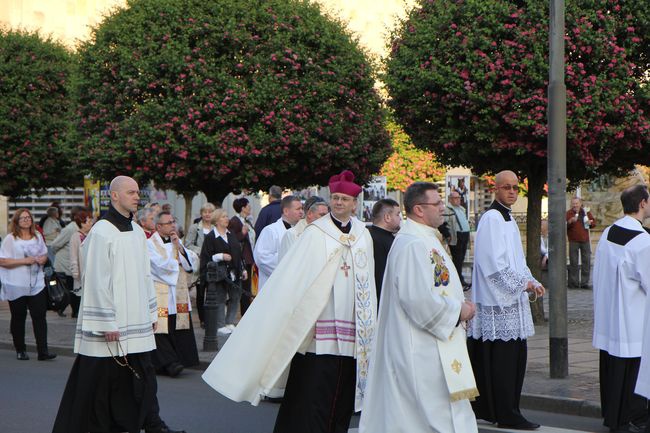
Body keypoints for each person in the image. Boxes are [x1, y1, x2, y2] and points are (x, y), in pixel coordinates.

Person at [202, 170, 377, 433]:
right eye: (335, 198)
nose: (339, 202)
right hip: (318, 330)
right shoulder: (316, 232)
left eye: (344, 199)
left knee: (342, 396)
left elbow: (369, 281)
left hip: (354, 329)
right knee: (313, 394)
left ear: (354, 204)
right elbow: (294, 277)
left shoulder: (364, 235)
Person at [53, 175, 185, 433]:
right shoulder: (101, 232)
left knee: (144, 375)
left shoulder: (137, 231)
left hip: (136, 320)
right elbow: (96, 280)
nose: (137, 196)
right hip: (112, 322)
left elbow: (145, 274)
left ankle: (152, 423)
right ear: (114, 196)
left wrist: (151, 310)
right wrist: (106, 321)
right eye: (131, 192)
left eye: (138, 192)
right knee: (101, 382)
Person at [359, 182, 478, 433]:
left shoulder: (425, 238)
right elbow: (417, 299)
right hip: (420, 346)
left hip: (434, 341)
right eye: (437, 204)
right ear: (419, 209)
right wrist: (459, 311)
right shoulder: (412, 243)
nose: (442, 208)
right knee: (427, 417)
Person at [467, 170, 545, 430]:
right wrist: (522, 285)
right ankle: (506, 412)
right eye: (507, 187)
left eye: (515, 188)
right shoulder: (491, 218)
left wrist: (531, 281)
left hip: (510, 301)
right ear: (496, 188)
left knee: (514, 360)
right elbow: (494, 264)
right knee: (503, 363)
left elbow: (517, 260)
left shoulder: (508, 218)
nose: (512, 191)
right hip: (496, 304)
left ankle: (507, 409)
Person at [593, 185, 650, 433]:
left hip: (609, 317)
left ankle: (613, 416)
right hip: (633, 319)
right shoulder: (642, 241)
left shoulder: (608, 232)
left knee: (612, 370)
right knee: (632, 373)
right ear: (643, 204)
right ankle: (632, 417)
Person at [148, 211, 200, 377]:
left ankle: (176, 361)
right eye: (168, 223)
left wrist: (178, 246)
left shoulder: (175, 241)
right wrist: (175, 264)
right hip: (160, 293)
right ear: (158, 226)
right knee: (161, 330)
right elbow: (156, 265)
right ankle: (169, 363)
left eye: (173, 222)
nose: (172, 225)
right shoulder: (150, 243)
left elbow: (190, 263)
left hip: (178, 294)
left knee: (177, 327)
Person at [0, 208, 54, 361]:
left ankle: (43, 351)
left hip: (36, 284)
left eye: (28, 218)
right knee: (18, 317)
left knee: (40, 316)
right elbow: (2, 261)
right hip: (16, 284)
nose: (26, 220)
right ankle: (20, 349)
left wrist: (42, 259)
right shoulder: (11, 239)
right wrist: (24, 261)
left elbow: (44, 254)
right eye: (22, 218)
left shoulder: (37, 236)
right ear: (16, 221)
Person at [199, 208, 248, 335]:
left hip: (234, 272)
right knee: (220, 298)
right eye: (223, 217)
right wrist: (220, 255)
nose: (227, 219)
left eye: (227, 216)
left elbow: (239, 253)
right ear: (216, 220)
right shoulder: (211, 237)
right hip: (219, 274)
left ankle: (229, 322)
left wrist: (242, 269)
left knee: (235, 297)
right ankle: (220, 325)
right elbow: (206, 256)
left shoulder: (231, 234)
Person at [253, 195, 303, 290]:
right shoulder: (270, 231)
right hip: (273, 285)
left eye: (301, 209)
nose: (301, 212)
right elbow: (262, 258)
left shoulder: (300, 231)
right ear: (286, 211)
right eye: (298, 209)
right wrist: (289, 266)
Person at [50, 206, 86, 317]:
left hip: (72, 264)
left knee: (72, 289)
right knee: (70, 289)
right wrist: (62, 253)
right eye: (85, 218)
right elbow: (55, 244)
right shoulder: (71, 229)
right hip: (65, 264)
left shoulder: (83, 229)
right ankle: (67, 309)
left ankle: (66, 309)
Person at [185, 202, 217, 326]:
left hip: (214, 263)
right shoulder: (195, 227)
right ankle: (203, 319)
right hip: (200, 264)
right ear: (201, 213)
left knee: (212, 292)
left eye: (210, 212)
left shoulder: (216, 227)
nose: (208, 214)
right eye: (205, 212)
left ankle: (212, 318)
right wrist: (201, 251)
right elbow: (188, 244)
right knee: (200, 291)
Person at [366, 198, 401, 301]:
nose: (400, 219)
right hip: (382, 299)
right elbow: (381, 275)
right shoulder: (380, 240)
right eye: (397, 214)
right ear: (387, 217)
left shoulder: (368, 234)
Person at [228, 198, 257, 316]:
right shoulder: (234, 221)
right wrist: (243, 233)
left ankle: (246, 312)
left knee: (247, 287)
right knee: (244, 288)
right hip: (241, 259)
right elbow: (232, 239)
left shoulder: (246, 221)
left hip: (249, 258)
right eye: (248, 206)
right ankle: (244, 313)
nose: (250, 208)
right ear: (242, 208)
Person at [566, 197, 596, 288]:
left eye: (576, 203)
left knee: (586, 262)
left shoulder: (585, 212)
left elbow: (593, 224)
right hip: (573, 241)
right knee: (573, 262)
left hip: (585, 240)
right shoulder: (569, 213)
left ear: (580, 204)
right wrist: (570, 221)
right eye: (573, 203)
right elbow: (564, 226)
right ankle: (573, 283)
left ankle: (584, 283)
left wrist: (591, 222)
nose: (575, 205)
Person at [445, 190, 472, 290]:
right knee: (457, 260)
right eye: (455, 198)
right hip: (456, 237)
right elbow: (442, 224)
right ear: (450, 199)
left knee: (461, 259)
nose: (458, 200)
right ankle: (459, 281)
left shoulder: (461, 209)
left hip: (464, 235)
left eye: (459, 198)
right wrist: (447, 235)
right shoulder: (447, 210)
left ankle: (459, 280)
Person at [68, 209, 94, 317]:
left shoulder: (93, 235)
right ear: (82, 223)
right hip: (81, 274)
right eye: (88, 221)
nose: (91, 223)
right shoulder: (76, 236)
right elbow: (73, 257)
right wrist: (76, 274)